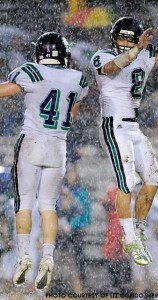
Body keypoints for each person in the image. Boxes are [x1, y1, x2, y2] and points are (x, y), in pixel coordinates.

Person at [0, 31, 88, 291]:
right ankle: (47, 257)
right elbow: (72, 116)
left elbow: (6, 90)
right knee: (48, 205)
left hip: (32, 141)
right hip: (58, 145)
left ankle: (24, 254)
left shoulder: (31, 72)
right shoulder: (78, 78)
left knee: (24, 202)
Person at [90, 13, 158, 266]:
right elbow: (110, 68)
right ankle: (128, 238)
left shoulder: (144, 54)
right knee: (127, 181)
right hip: (112, 124)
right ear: (114, 39)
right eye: (122, 39)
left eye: (130, 41)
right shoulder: (103, 55)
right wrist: (136, 50)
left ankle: (138, 229)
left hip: (133, 126)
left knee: (153, 181)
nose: (126, 44)